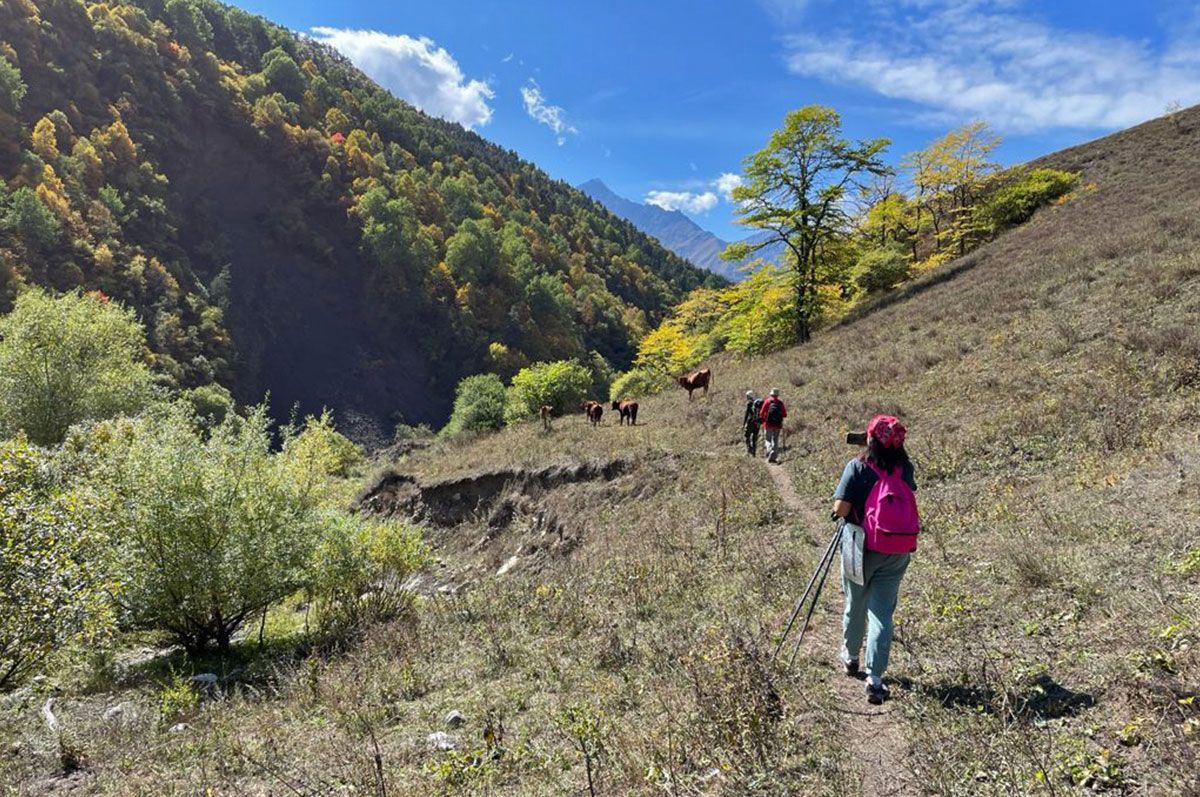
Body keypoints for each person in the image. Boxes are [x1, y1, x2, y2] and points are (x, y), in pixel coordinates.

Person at [831, 415, 918, 704]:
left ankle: (851, 656)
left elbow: (841, 509)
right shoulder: (905, 468)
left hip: (860, 547)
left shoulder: (857, 467)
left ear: (870, 439)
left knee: (856, 601)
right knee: (882, 612)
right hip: (897, 550)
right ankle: (875, 677)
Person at [758, 388, 787, 463]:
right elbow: (785, 414)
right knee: (775, 440)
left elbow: (761, 413)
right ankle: (773, 456)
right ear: (777, 395)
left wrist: (762, 418)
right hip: (778, 425)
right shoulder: (780, 403)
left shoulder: (767, 401)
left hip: (768, 424)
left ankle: (770, 450)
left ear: (771, 394)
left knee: (768, 439)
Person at [743, 390, 762, 456]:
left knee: (747, 436)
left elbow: (747, 414)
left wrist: (744, 424)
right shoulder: (758, 403)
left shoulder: (749, 404)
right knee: (754, 437)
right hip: (757, 423)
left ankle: (749, 449)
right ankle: (754, 452)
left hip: (750, 421)